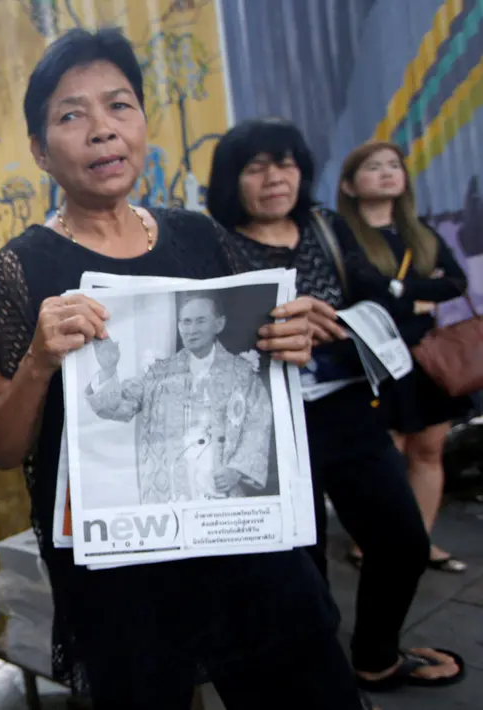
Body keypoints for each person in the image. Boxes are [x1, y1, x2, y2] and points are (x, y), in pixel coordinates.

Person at [0, 28, 368, 709]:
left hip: (243, 540)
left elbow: (260, 366)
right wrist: (40, 359)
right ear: (40, 150)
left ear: (142, 123)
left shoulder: (198, 236)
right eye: (71, 115)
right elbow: (4, 448)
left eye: (118, 106)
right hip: (126, 570)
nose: (102, 131)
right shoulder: (22, 269)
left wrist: (286, 340)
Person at [207, 118, 464, 693]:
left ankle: (375, 655)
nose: (275, 178)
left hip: (345, 408)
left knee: (402, 541)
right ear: (231, 180)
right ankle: (325, 691)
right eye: (256, 167)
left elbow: (377, 304)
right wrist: (273, 328)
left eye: (287, 163)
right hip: (267, 421)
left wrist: (337, 325)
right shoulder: (211, 244)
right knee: (303, 569)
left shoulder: (323, 227)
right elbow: (204, 335)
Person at [337, 141, 474, 574]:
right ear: (349, 184)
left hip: (426, 360)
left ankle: (421, 540)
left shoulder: (420, 233)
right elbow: (358, 295)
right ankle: (374, 541)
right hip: (373, 360)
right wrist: (413, 296)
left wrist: (401, 291)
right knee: (383, 455)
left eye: (394, 166)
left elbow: (453, 284)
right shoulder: (340, 237)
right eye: (373, 167)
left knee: (429, 450)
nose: (386, 173)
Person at [87, 292, 273, 503]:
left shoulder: (241, 373)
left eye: (200, 321)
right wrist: (109, 369)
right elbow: (117, 407)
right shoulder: (160, 373)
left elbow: (258, 422)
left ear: (219, 324)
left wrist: (237, 469)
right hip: (170, 491)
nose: (191, 330)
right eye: (186, 322)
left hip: (220, 491)